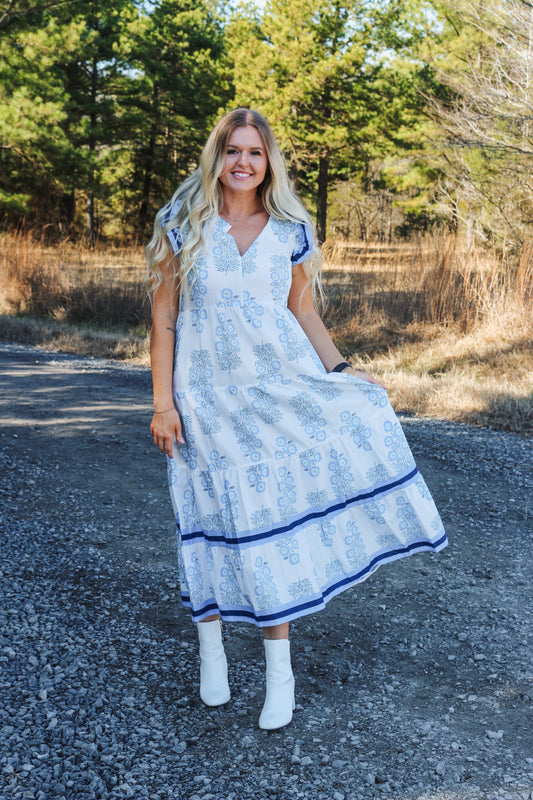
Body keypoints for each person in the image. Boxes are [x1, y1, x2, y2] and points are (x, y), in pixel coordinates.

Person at [146, 108, 447, 730]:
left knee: (269, 521)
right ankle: (212, 654)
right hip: (203, 398)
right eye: (232, 150)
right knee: (203, 513)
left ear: (269, 162)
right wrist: (163, 402)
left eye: (255, 153)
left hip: (275, 390)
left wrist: (340, 373)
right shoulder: (182, 226)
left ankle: (279, 672)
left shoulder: (291, 227)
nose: (243, 163)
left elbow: (304, 313)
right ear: (216, 156)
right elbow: (164, 321)